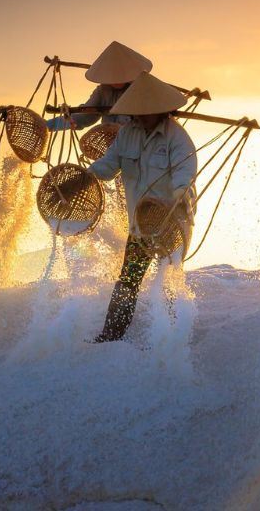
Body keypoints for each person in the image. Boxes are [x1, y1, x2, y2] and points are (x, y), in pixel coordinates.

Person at [86, 71, 197, 342]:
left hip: (172, 223)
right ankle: (110, 336)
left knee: (168, 281)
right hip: (139, 225)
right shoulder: (127, 135)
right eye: (136, 112)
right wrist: (86, 176)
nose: (139, 117)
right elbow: (108, 165)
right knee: (127, 281)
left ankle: (170, 340)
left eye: (145, 112)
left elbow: (185, 176)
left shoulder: (177, 139)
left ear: (161, 111)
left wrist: (180, 194)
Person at [46, 41, 152, 131]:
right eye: (111, 75)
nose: (115, 79)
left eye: (119, 74)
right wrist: (46, 126)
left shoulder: (143, 89)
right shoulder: (103, 91)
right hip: (111, 146)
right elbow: (84, 117)